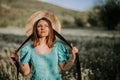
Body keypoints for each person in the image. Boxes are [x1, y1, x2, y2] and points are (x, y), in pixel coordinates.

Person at [11, 17, 78, 80]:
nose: (43, 28)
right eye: (39, 26)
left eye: (46, 26)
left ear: (50, 29)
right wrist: (17, 61)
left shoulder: (57, 47)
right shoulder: (28, 49)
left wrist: (73, 58)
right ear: (35, 30)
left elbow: (64, 68)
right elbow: (25, 72)